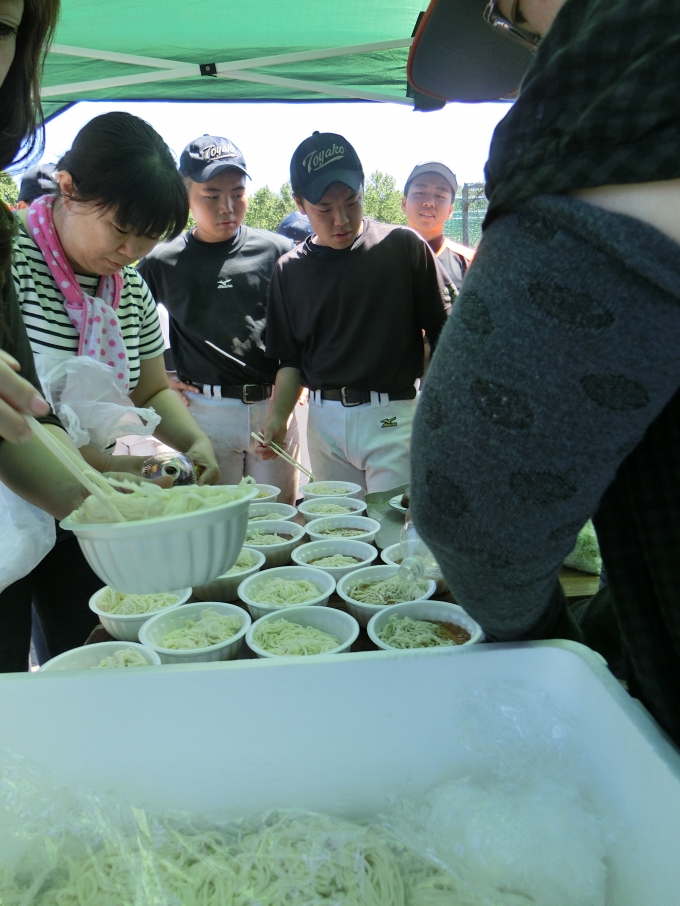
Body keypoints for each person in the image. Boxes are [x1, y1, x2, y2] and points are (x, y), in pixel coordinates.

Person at [410, 0, 680, 745]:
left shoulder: (633, 43)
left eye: (507, 17)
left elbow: (474, 507)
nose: (527, 40)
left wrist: (563, 660)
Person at [1, 111, 220, 671]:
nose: (130, 252)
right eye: (121, 230)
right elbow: (34, 417)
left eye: (147, 240)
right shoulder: (12, 262)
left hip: (96, 506)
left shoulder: (130, 290)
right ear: (68, 189)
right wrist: (130, 466)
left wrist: (189, 444)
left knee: (89, 649)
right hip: (15, 499)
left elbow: (148, 391)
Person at [257, 131, 451, 495]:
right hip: (324, 422)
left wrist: (444, 408)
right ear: (299, 203)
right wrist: (277, 418)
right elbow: (290, 359)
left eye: (352, 201)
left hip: (393, 416)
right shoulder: (289, 270)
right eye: (324, 209)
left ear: (363, 188)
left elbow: (446, 333)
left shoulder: (403, 246)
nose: (341, 219)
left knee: (395, 527)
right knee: (337, 526)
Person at [137, 135, 300, 504]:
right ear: (185, 194)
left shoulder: (278, 251)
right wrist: (160, 381)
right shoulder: (161, 260)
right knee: (217, 520)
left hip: (273, 409)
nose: (227, 207)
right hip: (203, 415)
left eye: (238, 194)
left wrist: (289, 398)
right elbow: (121, 325)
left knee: (279, 521)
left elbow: (302, 333)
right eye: (211, 196)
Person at [401, 161, 474, 291]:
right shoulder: (378, 256)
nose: (429, 202)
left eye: (440, 196)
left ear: (450, 211)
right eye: (420, 193)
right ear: (404, 204)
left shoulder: (471, 263)